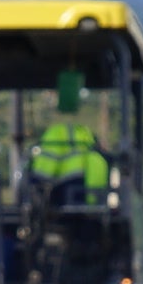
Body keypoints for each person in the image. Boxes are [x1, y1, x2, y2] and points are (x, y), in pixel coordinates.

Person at [26, 68, 110, 206]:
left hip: (65, 195)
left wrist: (34, 185)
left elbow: (42, 172)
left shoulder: (56, 134)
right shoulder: (87, 139)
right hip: (87, 201)